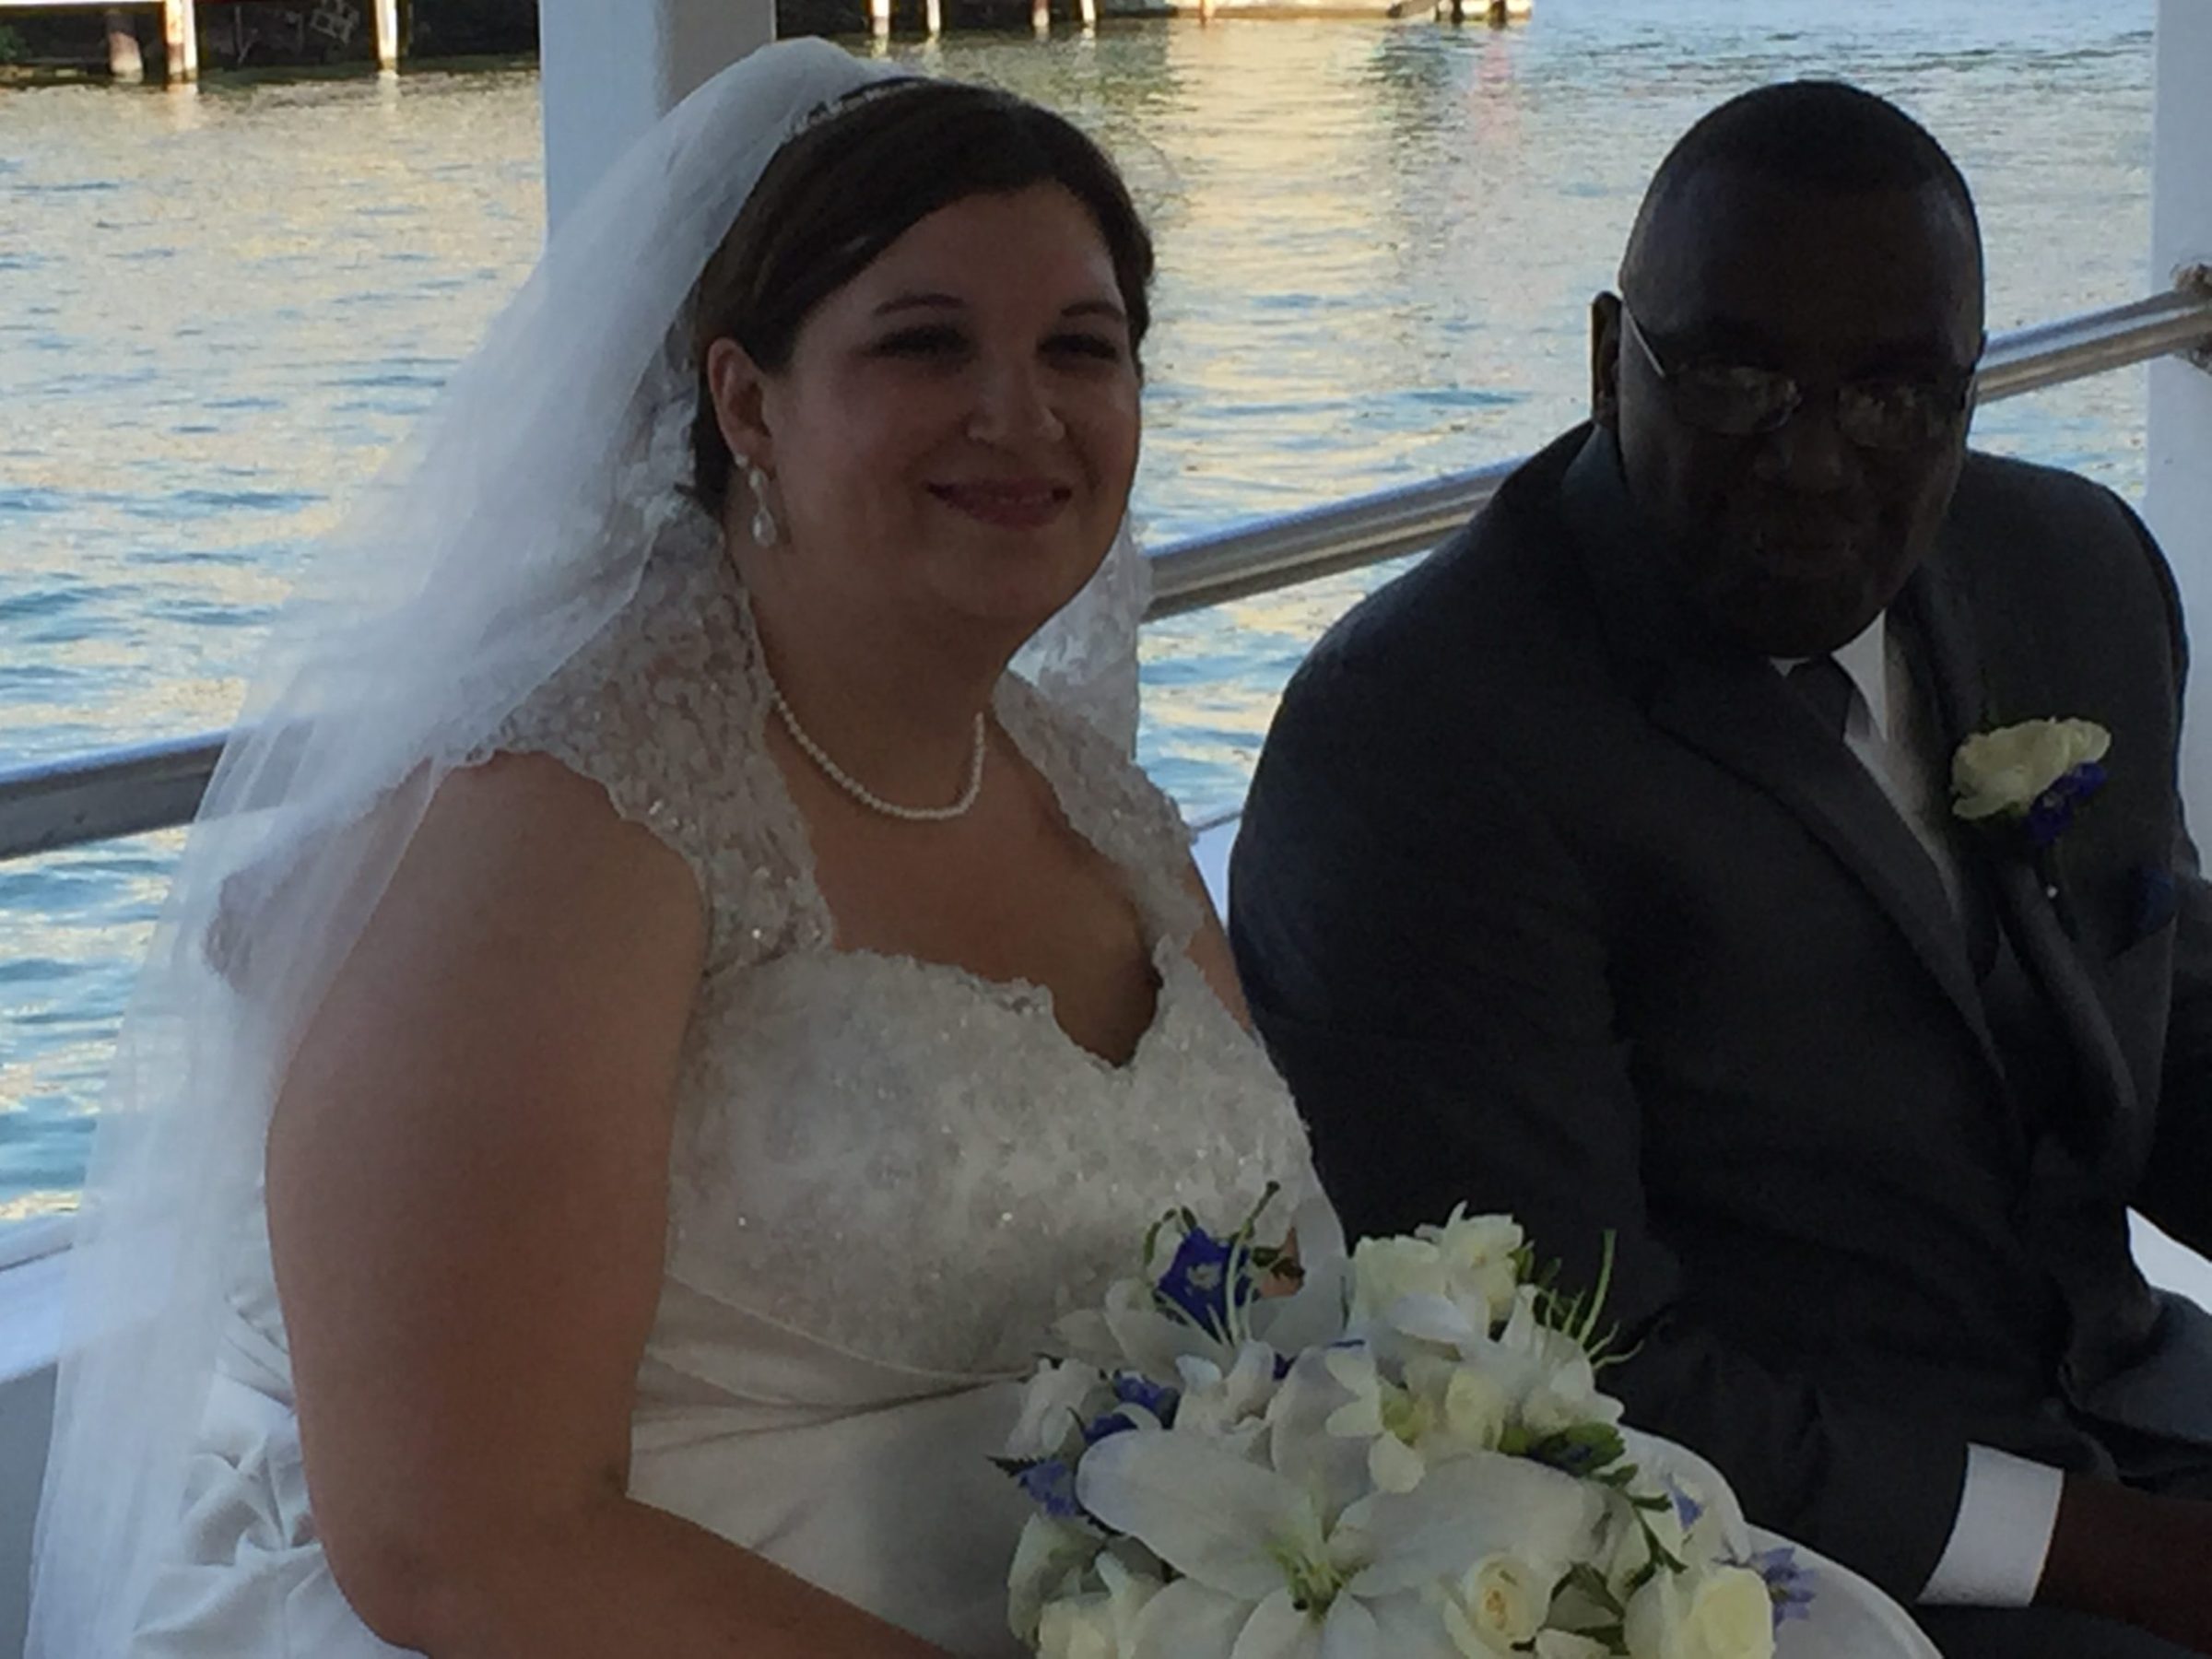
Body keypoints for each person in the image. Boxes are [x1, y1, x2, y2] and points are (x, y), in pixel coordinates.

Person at [29, 42, 1314, 1658]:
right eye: (926, 345)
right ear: (745, 401)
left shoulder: (1097, 810)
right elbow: (459, 1542)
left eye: (1085, 347)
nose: (1024, 412)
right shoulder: (561, 822)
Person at [1230, 81, 2212, 1659]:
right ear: (1610, 352)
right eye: (1740, 378)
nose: (1817, 461)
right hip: (1756, 1551)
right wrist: (2119, 1556)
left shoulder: (2073, 570)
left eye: (1898, 396)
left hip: (2138, 1397)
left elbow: (2172, 1034)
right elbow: (1567, 1371)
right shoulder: (1424, 740)